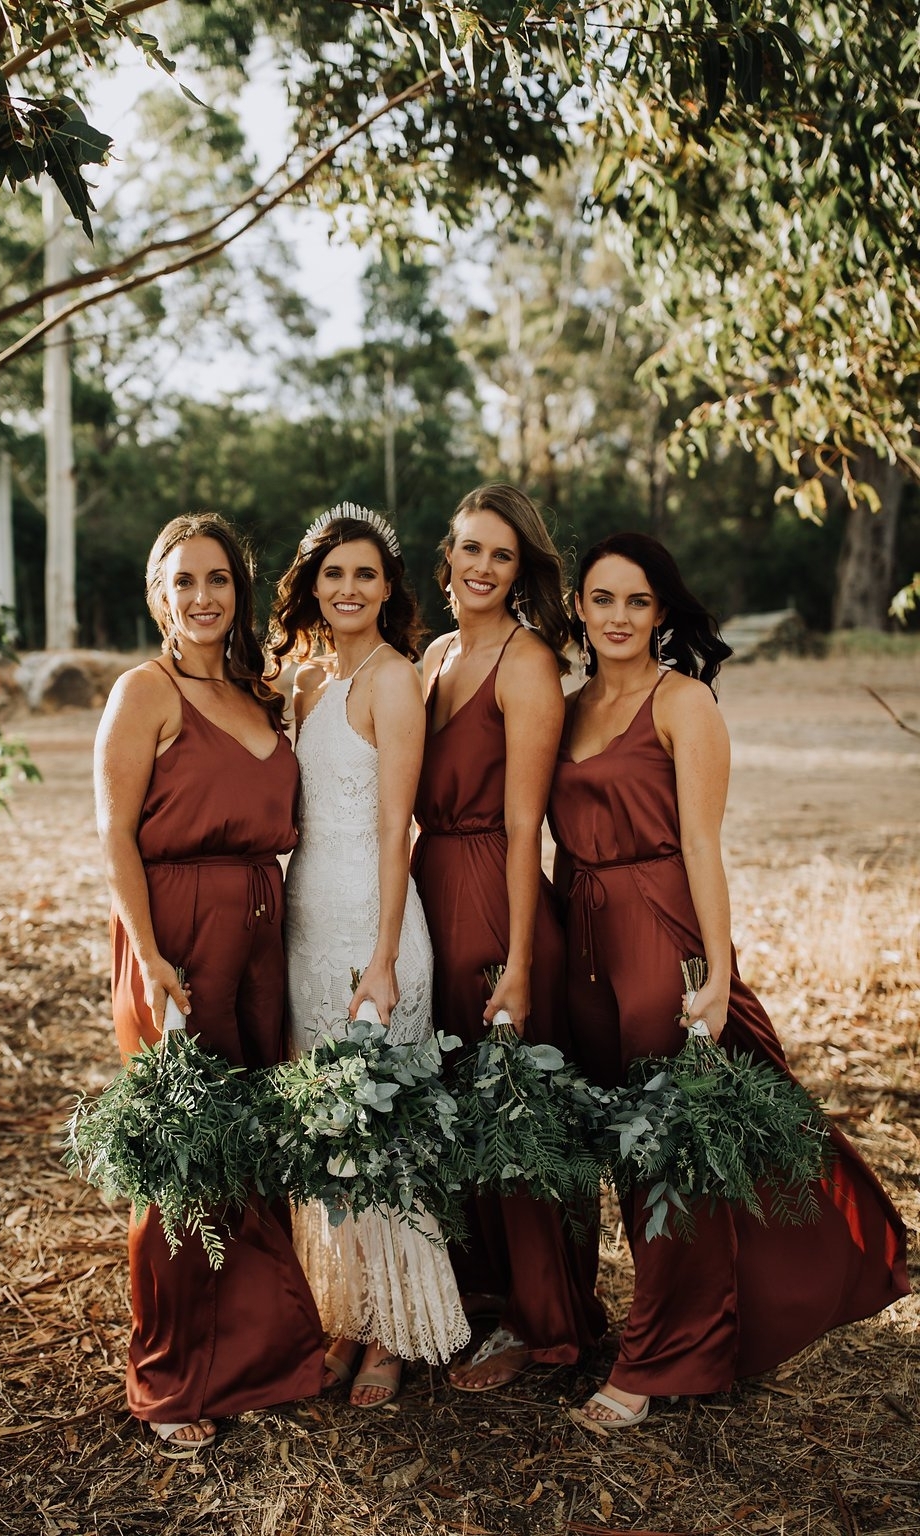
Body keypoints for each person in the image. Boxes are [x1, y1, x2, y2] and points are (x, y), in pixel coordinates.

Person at [548, 531, 910, 1429]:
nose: (619, 617)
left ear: (662, 611)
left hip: (662, 936)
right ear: (580, 610)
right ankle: (691, 1326)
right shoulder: (565, 703)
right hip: (582, 937)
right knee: (628, 1149)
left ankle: (658, 1361)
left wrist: (713, 973)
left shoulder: (685, 704)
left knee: (671, 1145)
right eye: (602, 599)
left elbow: (704, 844)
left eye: (637, 601)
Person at [93, 512, 326, 1456]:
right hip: (178, 931)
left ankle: (255, 1355)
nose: (201, 597)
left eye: (217, 580)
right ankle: (172, 1372)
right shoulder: (142, 691)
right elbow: (112, 835)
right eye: (182, 580)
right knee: (183, 1150)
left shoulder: (261, 696)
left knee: (251, 1138)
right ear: (158, 594)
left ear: (240, 590)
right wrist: (150, 959)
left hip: (263, 931)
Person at [271, 503, 471, 1408]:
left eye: (365, 575)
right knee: (328, 1132)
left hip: (373, 929)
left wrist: (386, 958)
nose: (347, 589)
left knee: (381, 1132)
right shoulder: (306, 681)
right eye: (332, 574)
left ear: (390, 590)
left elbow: (398, 831)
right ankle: (349, 1315)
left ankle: (401, 1333)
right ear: (312, 584)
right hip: (307, 926)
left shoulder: (393, 681)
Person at [411, 483, 607, 1392]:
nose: (482, 567)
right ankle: (482, 1301)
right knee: (457, 1112)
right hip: (430, 893)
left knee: (514, 1112)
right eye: (468, 549)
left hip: (497, 900)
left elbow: (528, 824)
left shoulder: (526, 663)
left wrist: (522, 965)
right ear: (445, 559)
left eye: (501, 554)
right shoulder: (436, 655)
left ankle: (546, 1321)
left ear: (521, 569)